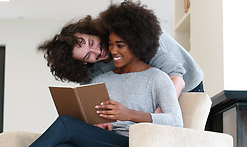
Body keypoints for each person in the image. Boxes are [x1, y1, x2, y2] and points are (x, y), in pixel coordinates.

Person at [30, 0, 183, 147]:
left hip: (134, 141)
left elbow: (176, 121)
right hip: (105, 140)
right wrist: (96, 124)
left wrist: (130, 114)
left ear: (137, 43)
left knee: (65, 124)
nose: (112, 51)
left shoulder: (157, 77)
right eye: (110, 44)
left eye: (120, 45)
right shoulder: (99, 79)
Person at [38, 11, 204, 96]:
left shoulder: (131, 34)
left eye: (91, 42)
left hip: (186, 83)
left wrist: (162, 110)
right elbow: (91, 101)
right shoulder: (94, 71)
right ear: (83, 63)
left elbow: (175, 76)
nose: (97, 52)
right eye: (88, 56)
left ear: (92, 31)